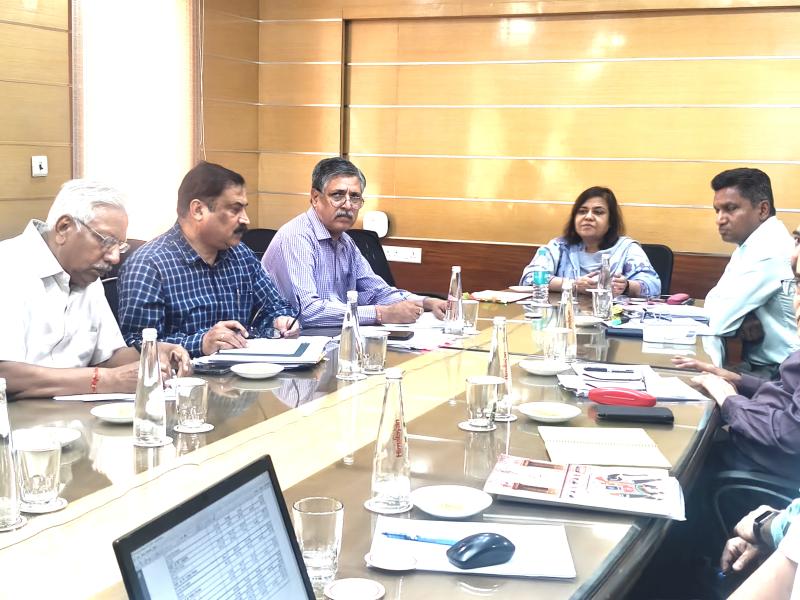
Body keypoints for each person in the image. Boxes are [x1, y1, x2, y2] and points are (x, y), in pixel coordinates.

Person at [0, 180, 190, 399]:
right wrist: (107, 380)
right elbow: (5, 374)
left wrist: (153, 354)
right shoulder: (8, 266)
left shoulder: (87, 275)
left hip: (77, 413)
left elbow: (107, 357)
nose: (114, 257)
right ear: (64, 228)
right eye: (106, 242)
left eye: (119, 246)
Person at [117, 162, 298, 358]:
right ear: (198, 210)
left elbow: (275, 306)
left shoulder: (241, 255)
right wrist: (201, 343)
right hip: (184, 375)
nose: (245, 219)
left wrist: (280, 321)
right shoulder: (148, 265)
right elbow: (138, 345)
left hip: (244, 370)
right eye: (234, 210)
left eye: (244, 209)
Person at [262, 157, 448, 328]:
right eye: (337, 195)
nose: (348, 205)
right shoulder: (297, 237)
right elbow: (307, 312)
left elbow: (377, 292)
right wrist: (380, 314)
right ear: (315, 198)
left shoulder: (345, 242)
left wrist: (426, 302)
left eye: (355, 197)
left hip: (335, 336)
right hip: (296, 340)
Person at [675, 242, 800, 479]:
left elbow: (790, 434)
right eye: (798, 283)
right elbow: (789, 393)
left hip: (757, 476)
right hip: (752, 452)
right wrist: (738, 381)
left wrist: (728, 398)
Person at [701, 167, 797, 373]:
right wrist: (744, 317)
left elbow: (717, 321)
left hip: (783, 374)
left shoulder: (769, 250)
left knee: (694, 379)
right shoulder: (751, 244)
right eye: (717, 210)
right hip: (769, 366)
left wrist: (736, 318)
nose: (720, 219)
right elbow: (715, 301)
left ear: (762, 210)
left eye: (730, 208)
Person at [519, 186, 660, 298]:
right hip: (565, 318)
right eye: (582, 211)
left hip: (613, 319)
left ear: (611, 221)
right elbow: (529, 278)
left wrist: (627, 286)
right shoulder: (559, 247)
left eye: (598, 212)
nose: (588, 217)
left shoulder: (627, 248)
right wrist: (573, 285)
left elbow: (653, 285)